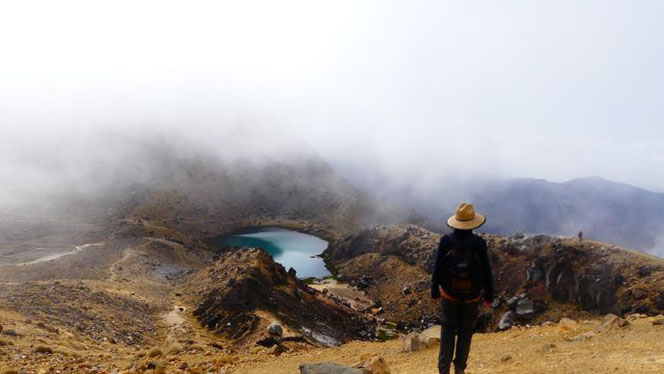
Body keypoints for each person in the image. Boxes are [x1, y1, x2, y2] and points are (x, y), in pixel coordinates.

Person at [431, 202, 494, 374]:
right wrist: (489, 295)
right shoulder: (479, 244)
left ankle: (443, 370)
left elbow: (437, 267)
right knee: (466, 334)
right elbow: (487, 270)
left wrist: (434, 291)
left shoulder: (446, 241)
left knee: (447, 332)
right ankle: (460, 370)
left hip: (449, 295)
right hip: (472, 297)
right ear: (473, 222)